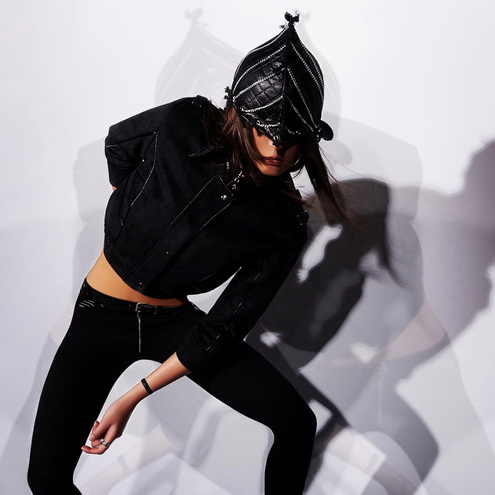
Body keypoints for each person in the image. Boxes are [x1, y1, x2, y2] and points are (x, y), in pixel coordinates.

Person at [28, 13, 345, 495]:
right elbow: (119, 143)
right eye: (263, 128)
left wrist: (133, 397)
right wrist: (129, 208)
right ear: (239, 115)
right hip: (99, 316)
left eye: (291, 135)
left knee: (296, 421)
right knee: (45, 479)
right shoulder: (183, 123)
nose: (276, 146)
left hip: (174, 326)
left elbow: (225, 325)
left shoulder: (282, 222)